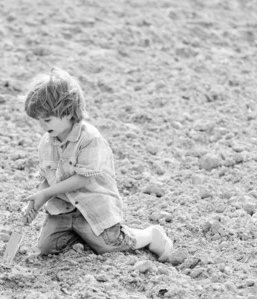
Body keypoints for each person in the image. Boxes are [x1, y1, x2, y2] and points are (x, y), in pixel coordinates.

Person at [21, 67, 173, 261]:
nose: (42, 125)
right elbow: (47, 178)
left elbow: (81, 180)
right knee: (46, 248)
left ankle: (150, 235)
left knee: (109, 245)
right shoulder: (47, 142)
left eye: (47, 119)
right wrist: (37, 200)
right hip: (63, 209)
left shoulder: (90, 139)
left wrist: (46, 193)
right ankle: (83, 234)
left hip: (92, 207)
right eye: (39, 120)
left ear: (67, 112)